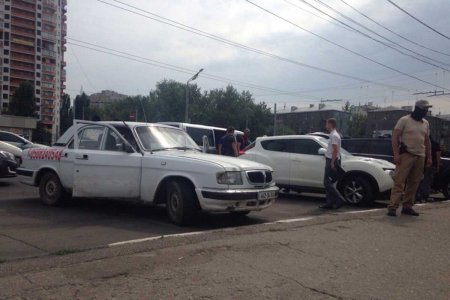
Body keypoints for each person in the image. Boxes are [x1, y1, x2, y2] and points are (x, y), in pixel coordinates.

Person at [387, 100, 433, 217]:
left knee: (414, 182)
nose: (426, 111)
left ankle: (407, 206)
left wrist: (429, 156)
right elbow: (395, 137)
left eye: (426, 109)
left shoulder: (425, 123)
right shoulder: (404, 120)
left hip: (420, 156)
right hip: (406, 154)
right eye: (424, 109)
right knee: (399, 181)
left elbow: (427, 141)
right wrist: (396, 154)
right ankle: (393, 207)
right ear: (417, 109)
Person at [320, 118, 345, 210]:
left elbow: (335, 150)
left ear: (330, 124)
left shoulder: (334, 135)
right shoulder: (334, 135)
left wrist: (332, 163)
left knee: (327, 182)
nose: (325, 125)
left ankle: (339, 199)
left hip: (331, 160)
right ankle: (329, 203)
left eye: (326, 124)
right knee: (329, 183)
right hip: (331, 159)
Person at [416, 136, 441, 202]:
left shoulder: (421, 144)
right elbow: (438, 156)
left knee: (418, 180)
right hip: (432, 165)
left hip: (421, 164)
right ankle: (424, 196)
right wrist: (438, 165)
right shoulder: (436, 144)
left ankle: (417, 195)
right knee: (427, 181)